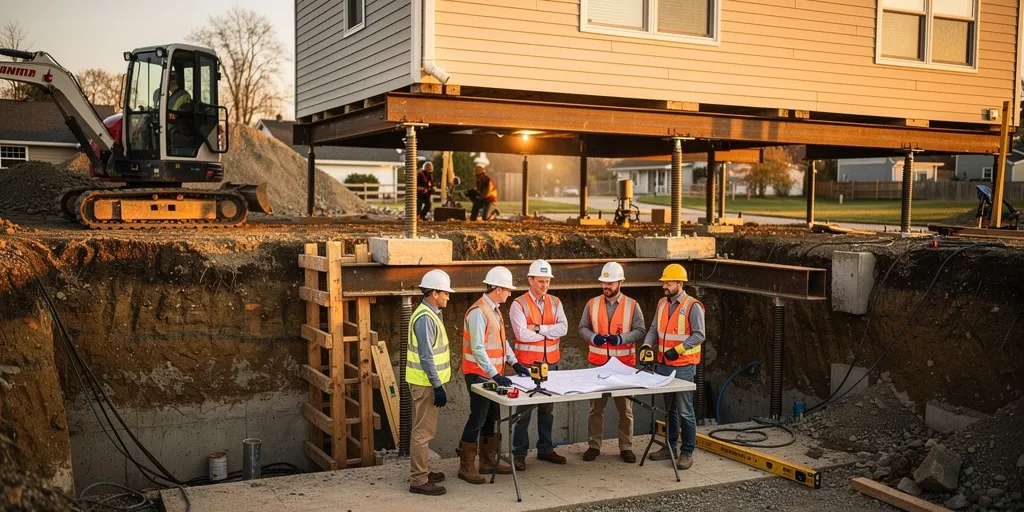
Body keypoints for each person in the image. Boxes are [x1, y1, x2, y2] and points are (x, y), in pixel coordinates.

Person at [459, 266, 531, 484]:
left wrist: (515, 363)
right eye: (507, 289)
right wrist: (493, 373)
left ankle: (488, 461)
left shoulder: (494, 310)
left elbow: (501, 342)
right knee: (478, 419)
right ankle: (466, 466)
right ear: (498, 288)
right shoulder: (479, 312)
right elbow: (479, 348)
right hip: (479, 375)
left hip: (491, 376)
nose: (510, 293)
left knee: (491, 418)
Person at [578, 262, 646, 463]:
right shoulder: (592, 304)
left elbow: (640, 330)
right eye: (604, 282)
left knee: (625, 410)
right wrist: (592, 337)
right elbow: (582, 327)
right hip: (598, 365)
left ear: (620, 282)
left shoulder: (632, 305)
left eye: (610, 282)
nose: (606, 286)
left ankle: (626, 447)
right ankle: (594, 446)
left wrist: (622, 339)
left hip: (623, 366)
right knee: (595, 409)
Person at [641, 263, 705, 470]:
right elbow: (653, 328)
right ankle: (670, 447)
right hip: (663, 365)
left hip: (683, 366)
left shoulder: (692, 306)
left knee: (685, 410)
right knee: (670, 410)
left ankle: (687, 451)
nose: (664, 286)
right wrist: (646, 344)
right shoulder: (662, 303)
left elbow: (699, 335)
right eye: (664, 282)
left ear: (680, 283)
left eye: (668, 282)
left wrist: (678, 349)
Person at [509, 259, 568, 471]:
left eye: (547, 281)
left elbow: (563, 329)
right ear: (530, 280)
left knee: (547, 412)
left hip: (550, 364)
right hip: (527, 366)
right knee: (523, 413)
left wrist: (538, 328)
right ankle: (519, 453)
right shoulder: (519, 304)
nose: (544, 285)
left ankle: (545, 449)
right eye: (540, 281)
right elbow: (520, 333)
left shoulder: (555, 302)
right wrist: (547, 331)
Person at [407, 270, 455, 496]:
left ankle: (423, 471)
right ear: (434, 293)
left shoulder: (431, 313)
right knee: (422, 433)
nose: (448, 297)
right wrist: (437, 385)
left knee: (425, 431)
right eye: (445, 293)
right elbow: (426, 356)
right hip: (425, 383)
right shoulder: (425, 318)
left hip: (426, 382)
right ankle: (419, 479)